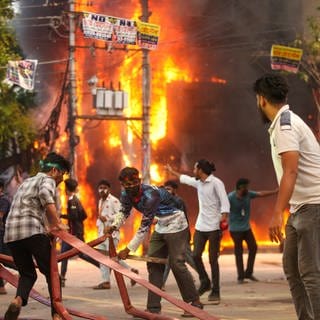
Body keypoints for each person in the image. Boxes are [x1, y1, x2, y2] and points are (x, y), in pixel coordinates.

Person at [253, 73, 320, 320]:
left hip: (313, 204)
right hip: (299, 207)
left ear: (261, 99)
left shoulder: (286, 126)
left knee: (310, 273)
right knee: (292, 269)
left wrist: (276, 214)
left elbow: (290, 171)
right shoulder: (285, 122)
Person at [104, 167, 202, 317]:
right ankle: (153, 308)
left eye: (134, 182)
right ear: (122, 184)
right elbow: (124, 212)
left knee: (177, 263)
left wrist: (128, 249)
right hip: (161, 225)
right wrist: (114, 226)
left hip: (177, 224)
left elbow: (144, 225)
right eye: (127, 184)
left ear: (139, 180)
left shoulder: (151, 195)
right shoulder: (125, 194)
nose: (131, 186)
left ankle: (194, 303)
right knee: (154, 264)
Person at [3, 152, 70, 320]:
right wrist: (57, 224)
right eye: (62, 174)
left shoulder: (27, 182)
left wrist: (46, 227)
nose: (61, 180)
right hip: (31, 232)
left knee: (27, 274)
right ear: (54, 171)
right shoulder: (47, 180)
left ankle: (17, 301)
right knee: (52, 273)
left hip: (12, 235)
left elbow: (32, 208)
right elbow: (45, 196)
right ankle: (56, 314)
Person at [166, 160, 229, 305]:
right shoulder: (198, 182)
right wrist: (172, 171)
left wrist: (223, 219)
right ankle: (205, 281)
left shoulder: (216, 183)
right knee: (195, 255)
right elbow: (185, 179)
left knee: (213, 259)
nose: (192, 170)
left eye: (194, 168)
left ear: (200, 169)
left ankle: (216, 291)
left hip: (214, 226)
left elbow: (224, 202)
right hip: (201, 226)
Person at [228, 178, 277, 284]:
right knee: (238, 252)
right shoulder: (230, 197)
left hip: (246, 228)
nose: (247, 189)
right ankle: (240, 277)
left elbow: (261, 194)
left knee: (253, 247)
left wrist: (275, 191)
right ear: (239, 187)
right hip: (235, 230)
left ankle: (248, 273)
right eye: (245, 187)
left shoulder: (248, 194)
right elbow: (223, 208)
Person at [94, 179, 138, 290]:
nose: (102, 190)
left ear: (109, 189)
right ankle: (105, 281)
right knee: (102, 258)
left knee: (113, 258)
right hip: (101, 234)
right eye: (100, 188)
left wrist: (108, 218)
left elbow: (121, 215)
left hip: (112, 235)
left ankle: (131, 271)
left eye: (104, 188)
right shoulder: (100, 201)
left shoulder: (114, 201)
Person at [59, 178, 100, 287]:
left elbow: (75, 216)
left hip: (74, 234)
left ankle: (101, 266)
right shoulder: (76, 199)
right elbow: (84, 215)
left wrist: (62, 216)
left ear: (67, 189)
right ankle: (61, 277)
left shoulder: (72, 201)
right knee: (68, 254)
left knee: (69, 254)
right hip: (75, 232)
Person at [161, 180, 199, 290]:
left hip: (180, 234)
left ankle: (203, 276)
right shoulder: (165, 201)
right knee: (169, 259)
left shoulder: (178, 201)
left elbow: (180, 218)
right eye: (165, 189)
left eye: (169, 189)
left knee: (188, 258)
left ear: (174, 190)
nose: (167, 191)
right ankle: (162, 283)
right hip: (170, 234)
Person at [0, 179, 11, 295]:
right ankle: (1, 286)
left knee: (8, 260)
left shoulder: (4, 200)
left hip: (2, 234)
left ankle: (25, 272)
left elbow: (0, 216)